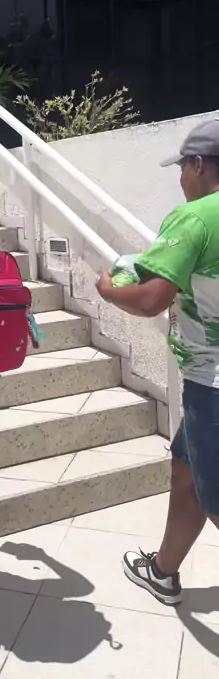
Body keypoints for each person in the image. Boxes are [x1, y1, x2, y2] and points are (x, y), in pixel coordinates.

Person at [96, 119, 219, 606]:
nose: (181, 179)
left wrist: (108, 290)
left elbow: (150, 299)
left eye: (182, 168)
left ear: (198, 164)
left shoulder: (195, 219)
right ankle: (163, 572)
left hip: (213, 385)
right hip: (207, 385)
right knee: (186, 471)